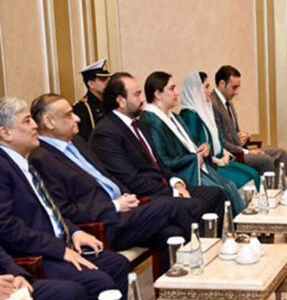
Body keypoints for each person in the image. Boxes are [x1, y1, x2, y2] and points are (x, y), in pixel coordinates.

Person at [0, 97, 129, 300]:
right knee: (97, 282)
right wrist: (60, 250)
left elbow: (51, 210)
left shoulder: (22, 162)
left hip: (59, 245)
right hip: (36, 256)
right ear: (6, 133)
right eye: (27, 121)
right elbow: (7, 227)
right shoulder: (3, 167)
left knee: (117, 264)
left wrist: (75, 232)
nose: (35, 126)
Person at [29, 94, 193, 272]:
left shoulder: (77, 142)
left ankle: (174, 287)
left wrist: (126, 195)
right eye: (69, 115)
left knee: (171, 233)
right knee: (169, 205)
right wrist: (114, 206)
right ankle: (199, 261)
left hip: (125, 211)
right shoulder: (42, 158)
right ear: (49, 121)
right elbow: (65, 211)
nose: (77, 118)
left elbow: (105, 176)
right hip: (104, 225)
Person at [89, 72, 226, 225]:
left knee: (216, 194)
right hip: (144, 196)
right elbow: (131, 180)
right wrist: (173, 192)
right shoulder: (106, 133)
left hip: (163, 187)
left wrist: (176, 182)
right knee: (196, 205)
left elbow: (159, 163)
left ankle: (218, 239)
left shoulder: (140, 125)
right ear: (121, 101)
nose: (142, 99)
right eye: (137, 94)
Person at [141, 71, 246, 214]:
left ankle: (242, 225)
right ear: (158, 94)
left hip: (196, 166)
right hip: (181, 175)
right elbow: (163, 161)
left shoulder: (175, 117)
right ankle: (233, 226)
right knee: (222, 191)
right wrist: (194, 158)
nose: (177, 93)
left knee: (230, 186)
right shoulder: (151, 121)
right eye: (171, 89)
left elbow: (192, 146)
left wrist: (205, 148)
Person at [179, 72, 260, 191]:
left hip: (222, 159)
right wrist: (218, 161)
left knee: (253, 174)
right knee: (246, 179)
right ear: (196, 90)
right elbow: (196, 149)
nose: (209, 91)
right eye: (206, 87)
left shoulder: (204, 111)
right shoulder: (190, 115)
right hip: (210, 166)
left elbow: (216, 139)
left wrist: (225, 153)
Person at [211, 65, 287, 175]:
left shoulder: (228, 102)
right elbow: (220, 141)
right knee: (265, 160)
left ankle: (283, 184)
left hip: (241, 149)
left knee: (280, 153)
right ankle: (270, 186)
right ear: (222, 83)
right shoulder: (213, 104)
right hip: (232, 155)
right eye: (234, 87)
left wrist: (246, 136)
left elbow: (234, 133)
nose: (237, 92)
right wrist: (246, 152)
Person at [73, 58, 111, 141]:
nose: (107, 83)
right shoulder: (82, 108)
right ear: (91, 84)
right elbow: (85, 138)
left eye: (108, 79)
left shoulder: (111, 102)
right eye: (103, 80)